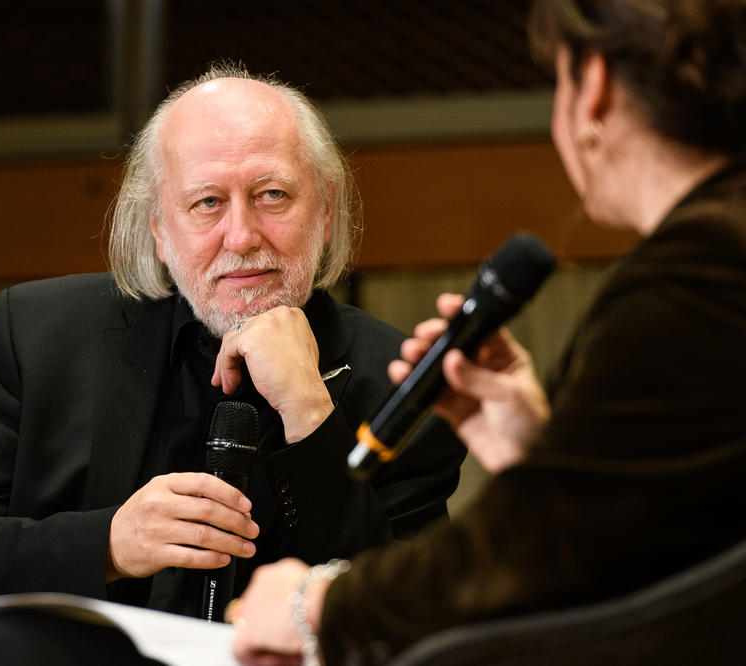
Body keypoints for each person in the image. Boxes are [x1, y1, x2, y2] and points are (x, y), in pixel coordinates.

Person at [0, 63, 465, 652]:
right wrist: (108, 542)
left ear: (326, 210)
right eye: (208, 202)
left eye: (272, 195)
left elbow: (410, 631)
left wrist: (308, 409)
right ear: (159, 228)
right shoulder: (41, 334)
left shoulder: (403, 378)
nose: (241, 237)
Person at [232, 1, 746, 664]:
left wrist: (317, 606)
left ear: (593, 85)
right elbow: (677, 520)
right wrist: (541, 452)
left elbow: (526, 553)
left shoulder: (703, 269)